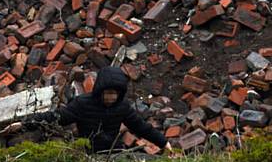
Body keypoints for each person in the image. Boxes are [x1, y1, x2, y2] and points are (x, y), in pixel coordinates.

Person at [24, 66, 171, 153]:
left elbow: (141, 127)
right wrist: (25, 123)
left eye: (114, 94)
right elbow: (56, 117)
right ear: (100, 91)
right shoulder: (82, 104)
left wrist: (164, 143)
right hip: (87, 152)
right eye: (107, 93)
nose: (111, 98)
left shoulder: (122, 107)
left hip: (113, 152)